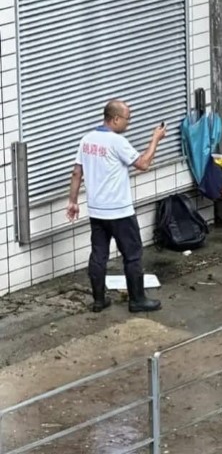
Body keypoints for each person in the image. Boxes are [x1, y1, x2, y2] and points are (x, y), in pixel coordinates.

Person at [66, 100, 167, 313]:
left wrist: (73, 202)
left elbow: (76, 173)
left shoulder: (86, 140)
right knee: (132, 254)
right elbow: (143, 164)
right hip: (120, 212)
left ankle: (99, 300)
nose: (128, 124)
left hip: (97, 211)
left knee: (98, 255)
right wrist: (155, 140)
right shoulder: (116, 142)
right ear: (115, 119)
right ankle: (137, 300)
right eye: (127, 119)